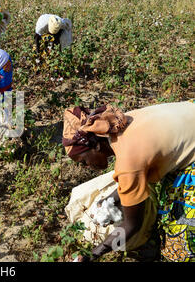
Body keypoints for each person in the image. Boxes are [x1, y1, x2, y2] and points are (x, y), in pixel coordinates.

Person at [62, 100, 195, 262]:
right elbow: (137, 170)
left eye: (83, 161)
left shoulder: (128, 161)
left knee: (180, 244)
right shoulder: (122, 123)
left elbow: (132, 225)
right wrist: (112, 199)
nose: (85, 167)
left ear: (96, 146)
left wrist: (92, 255)